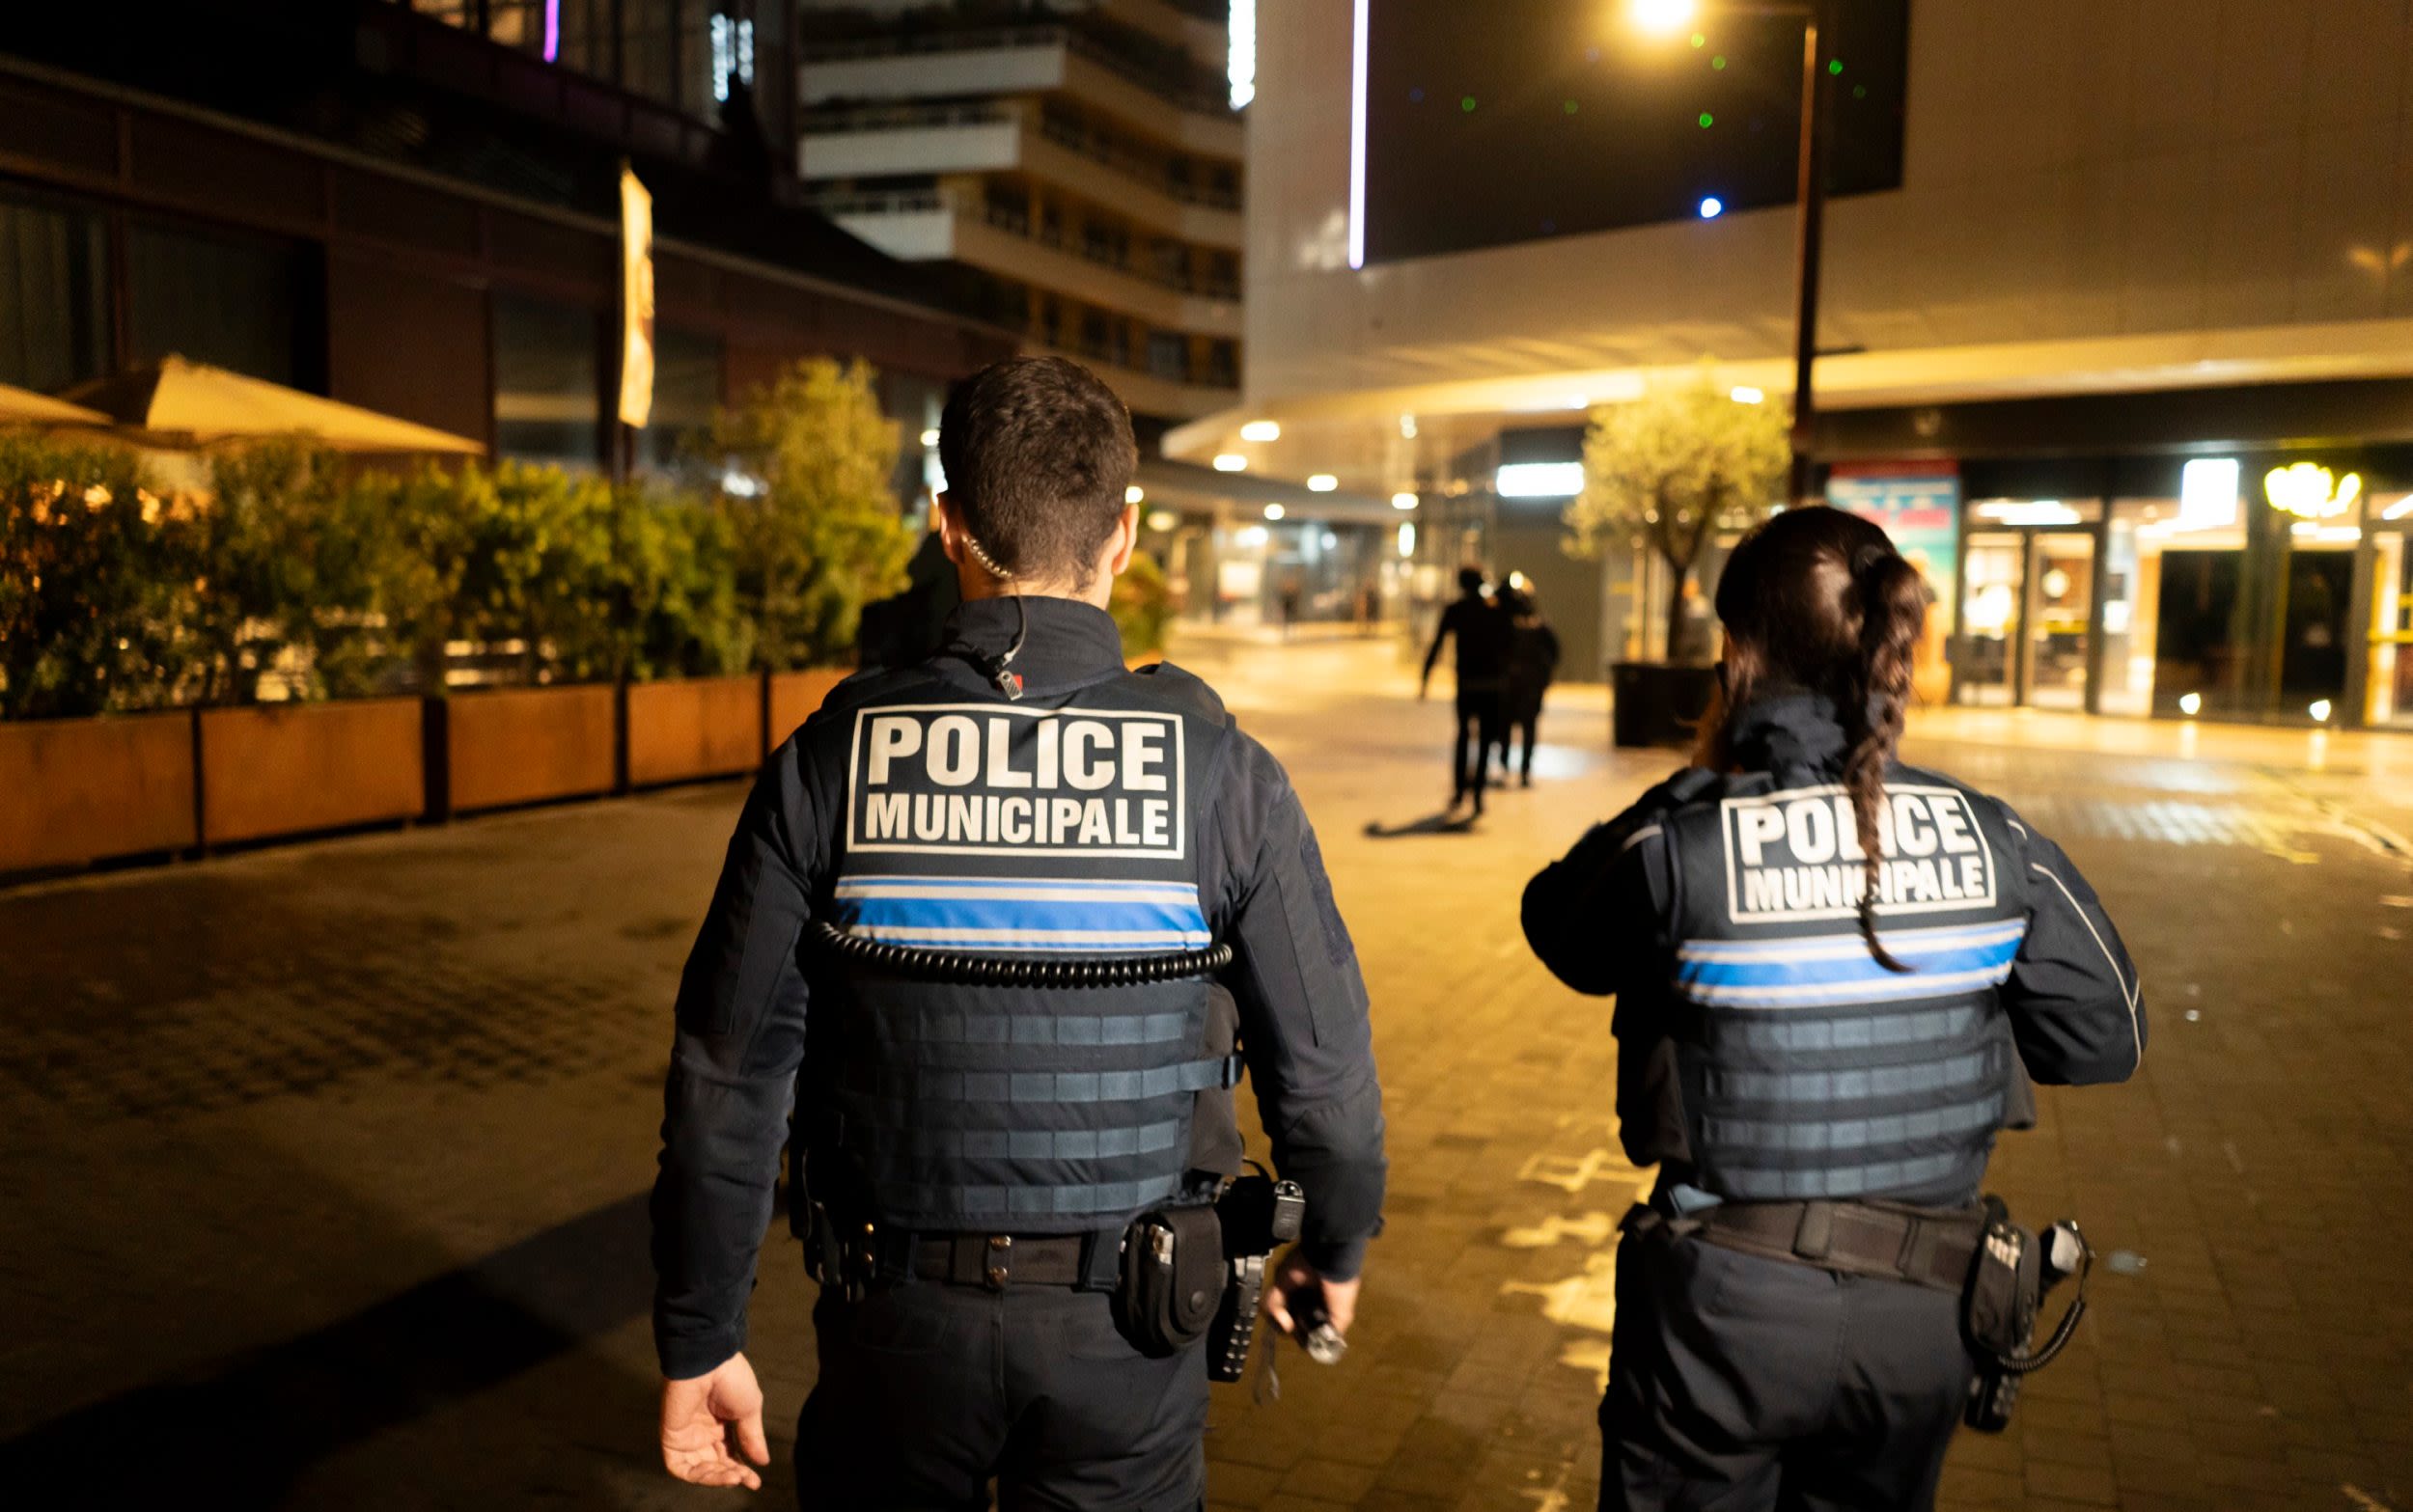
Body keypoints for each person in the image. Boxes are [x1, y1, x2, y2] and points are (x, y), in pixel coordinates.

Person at [651, 356, 1388, 1508]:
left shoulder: (832, 758)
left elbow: (725, 1076)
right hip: (1135, 1338)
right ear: (1127, 532)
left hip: (895, 1332)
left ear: (948, 526)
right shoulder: (1224, 777)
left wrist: (699, 1332)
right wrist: (1332, 1251)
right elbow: (1330, 1102)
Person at [1520, 507, 2145, 1511]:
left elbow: (1557, 928)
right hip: (1926, 1318)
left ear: (1738, 652)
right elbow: (2103, 1037)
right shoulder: (1994, 836)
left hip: (1723, 1317)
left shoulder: (1686, 835)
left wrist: (1695, 785)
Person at [1419, 566, 1512, 818]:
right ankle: (1479, 795)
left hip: (1467, 684)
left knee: (1462, 736)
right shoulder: (1495, 609)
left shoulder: (1456, 610)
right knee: (1483, 741)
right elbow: (1510, 640)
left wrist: (1425, 677)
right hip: (1492, 685)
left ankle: (1461, 791)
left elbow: (1437, 643)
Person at [1500, 586, 1560, 788]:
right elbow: (1554, 654)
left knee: (1512, 726)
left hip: (1519, 685)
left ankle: (1513, 765)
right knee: (1525, 727)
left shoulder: (1512, 627)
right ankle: (1519, 768)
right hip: (1525, 686)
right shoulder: (1538, 627)